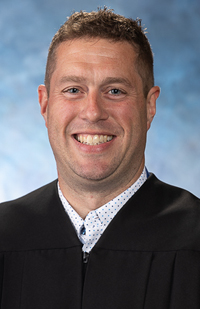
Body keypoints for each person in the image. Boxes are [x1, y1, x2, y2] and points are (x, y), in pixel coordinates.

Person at [0, 7, 200, 309]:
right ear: (44, 104)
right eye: (73, 89)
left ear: (149, 106)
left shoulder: (194, 239)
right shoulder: (5, 236)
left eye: (115, 90)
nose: (93, 111)